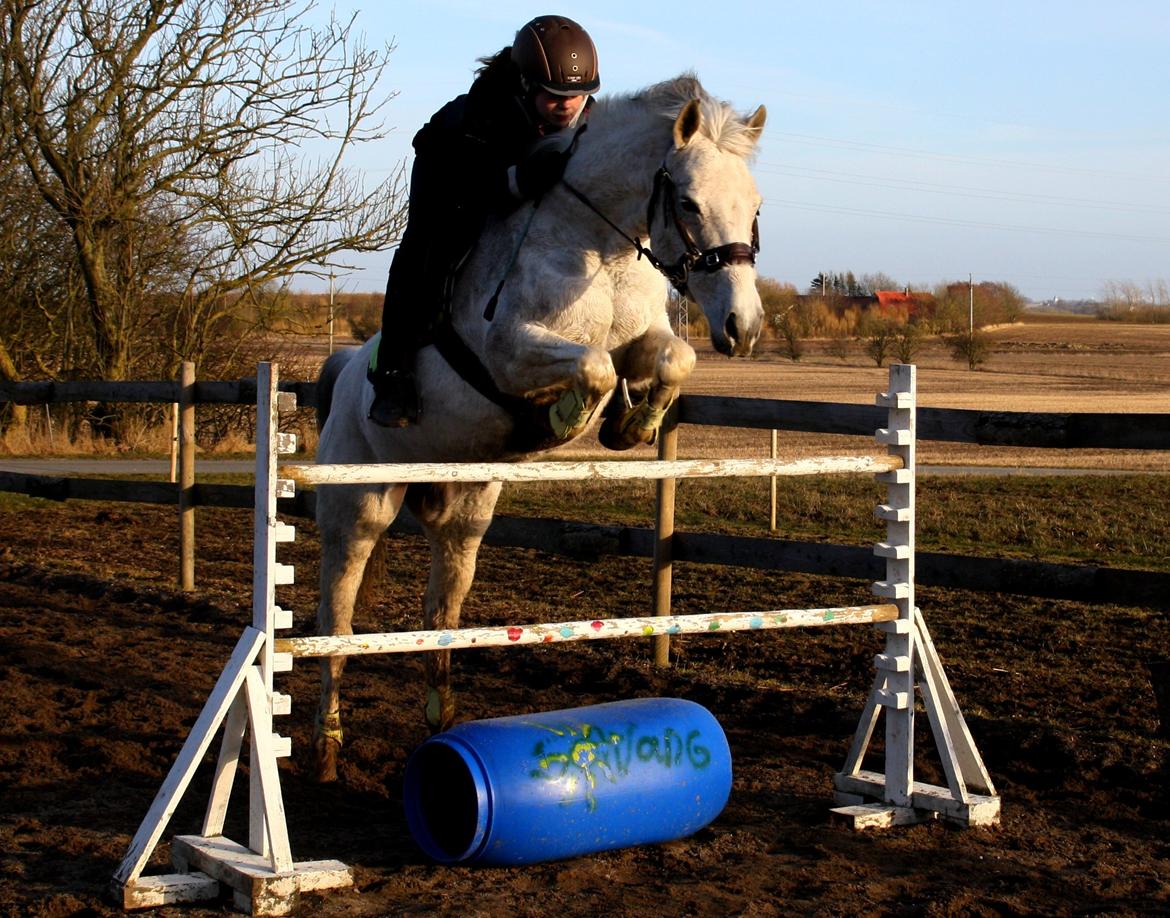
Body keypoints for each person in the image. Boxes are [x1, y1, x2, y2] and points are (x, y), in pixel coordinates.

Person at [367, 15, 601, 427]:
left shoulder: (587, 115)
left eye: (578, 95)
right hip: (451, 168)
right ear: (526, 84)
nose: (567, 104)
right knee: (430, 247)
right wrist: (519, 180)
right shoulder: (480, 116)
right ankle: (393, 372)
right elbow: (480, 192)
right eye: (553, 95)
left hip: (506, 168)